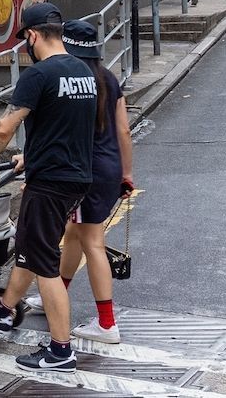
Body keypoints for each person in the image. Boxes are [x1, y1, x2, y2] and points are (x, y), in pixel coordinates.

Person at [0, 1, 101, 374]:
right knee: (30, 245)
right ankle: (4, 310)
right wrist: (33, 154)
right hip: (75, 176)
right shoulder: (83, 71)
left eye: (25, 38)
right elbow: (67, 124)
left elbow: (3, 128)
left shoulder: (39, 74)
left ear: (32, 35)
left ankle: (61, 351)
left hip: (51, 182)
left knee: (44, 263)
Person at [56, 19, 136, 346]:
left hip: (85, 171)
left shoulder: (73, 81)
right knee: (74, 234)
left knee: (92, 242)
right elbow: (124, 131)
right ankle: (55, 293)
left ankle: (107, 324)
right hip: (109, 167)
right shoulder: (108, 78)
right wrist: (127, 173)